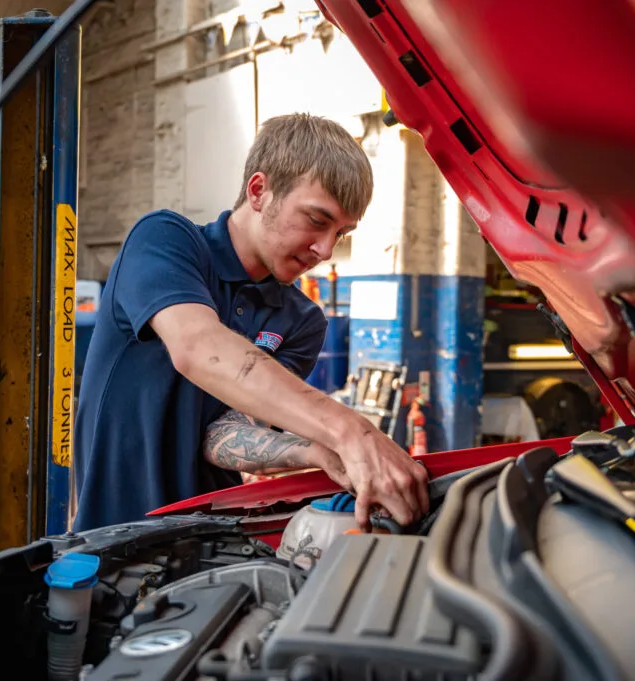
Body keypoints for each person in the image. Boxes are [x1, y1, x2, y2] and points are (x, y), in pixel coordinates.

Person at [72, 113, 429, 533]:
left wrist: (315, 452)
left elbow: (223, 433)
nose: (326, 250)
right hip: (114, 535)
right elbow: (198, 348)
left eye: (342, 233)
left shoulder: (302, 320)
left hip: (213, 540)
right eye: (317, 220)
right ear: (259, 191)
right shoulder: (166, 242)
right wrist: (353, 431)